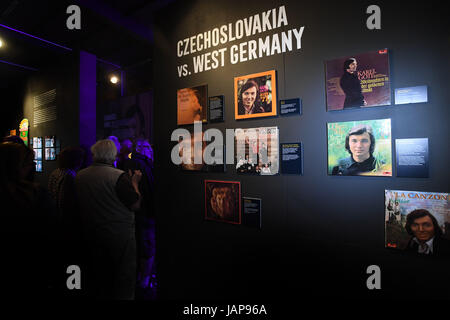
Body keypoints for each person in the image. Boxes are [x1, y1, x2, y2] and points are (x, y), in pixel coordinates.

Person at [75, 139, 142, 300]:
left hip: (91, 234)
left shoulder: (80, 175)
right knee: (123, 280)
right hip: (119, 237)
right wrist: (135, 183)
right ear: (113, 155)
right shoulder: (118, 176)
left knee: (99, 279)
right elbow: (135, 204)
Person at [0, 142, 57, 296]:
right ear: (18, 166)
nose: (32, 167)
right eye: (28, 163)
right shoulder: (34, 193)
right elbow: (51, 231)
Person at [48, 146, 86, 288]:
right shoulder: (70, 176)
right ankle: (73, 284)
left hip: (56, 220)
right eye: (81, 158)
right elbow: (68, 202)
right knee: (72, 257)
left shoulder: (55, 172)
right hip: (68, 223)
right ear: (75, 160)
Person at [122, 139, 156, 294]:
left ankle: (140, 278)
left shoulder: (131, 162)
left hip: (135, 212)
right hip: (144, 211)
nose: (149, 150)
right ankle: (144, 280)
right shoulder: (143, 164)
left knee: (140, 244)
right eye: (147, 147)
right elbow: (148, 190)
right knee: (146, 246)